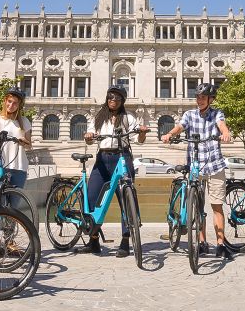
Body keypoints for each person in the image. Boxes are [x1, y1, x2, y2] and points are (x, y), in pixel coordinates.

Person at [161, 83, 233, 260]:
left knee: (217, 206)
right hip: (195, 165)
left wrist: (225, 133)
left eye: (203, 98)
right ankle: (202, 242)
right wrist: (170, 134)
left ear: (211, 99)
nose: (200, 100)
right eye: (198, 97)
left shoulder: (217, 113)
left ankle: (221, 244)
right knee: (198, 207)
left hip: (215, 165)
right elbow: (180, 127)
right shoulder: (189, 114)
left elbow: (221, 125)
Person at [78, 85, 148, 257]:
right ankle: (93, 240)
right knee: (92, 197)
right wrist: (88, 136)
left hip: (122, 157)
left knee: (126, 198)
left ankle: (125, 240)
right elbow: (90, 137)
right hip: (102, 159)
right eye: (110, 97)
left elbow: (139, 140)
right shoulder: (98, 117)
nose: (113, 100)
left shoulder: (128, 118)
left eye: (117, 98)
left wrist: (142, 132)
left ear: (122, 101)